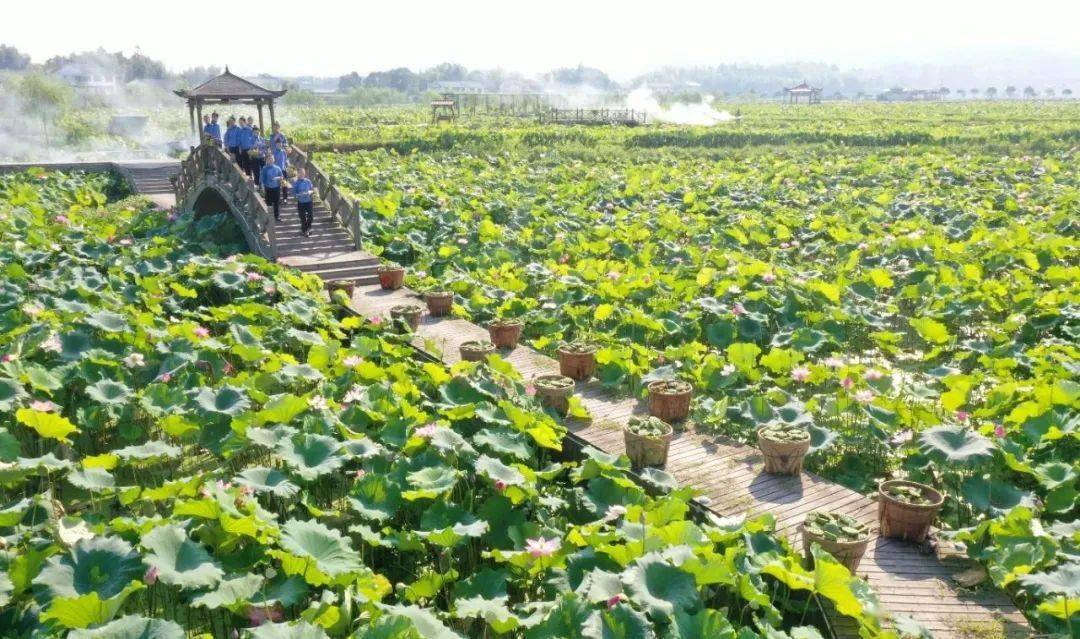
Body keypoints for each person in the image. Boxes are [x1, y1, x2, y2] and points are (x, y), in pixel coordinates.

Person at [260, 155, 284, 221]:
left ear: (274, 160)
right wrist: (262, 187)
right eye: (269, 159)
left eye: (272, 159)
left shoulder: (277, 168)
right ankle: (269, 217)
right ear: (267, 160)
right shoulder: (265, 168)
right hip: (268, 188)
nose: (270, 160)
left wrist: (277, 178)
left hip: (276, 187)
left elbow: (282, 177)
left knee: (276, 202)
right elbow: (262, 179)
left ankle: (277, 216)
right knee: (269, 203)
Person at [292, 167, 315, 236]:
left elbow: (312, 190)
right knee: (302, 217)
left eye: (303, 172)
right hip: (301, 202)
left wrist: (310, 192)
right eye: (300, 173)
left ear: (305, 173)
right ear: (298, 174)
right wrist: (300, 194)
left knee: (311, 217)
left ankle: (307, 227)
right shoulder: (296, 183)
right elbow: (294, 194)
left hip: (308, 201)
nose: (302, 174)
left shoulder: (308, 181)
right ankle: (305, 230)